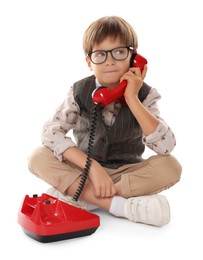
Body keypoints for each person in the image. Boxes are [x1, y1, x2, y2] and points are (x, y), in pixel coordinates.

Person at [28, 16, 182, 227]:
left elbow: (166, 147)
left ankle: (82, 195)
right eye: (100, 54)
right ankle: (120, 206)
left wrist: (132, 98)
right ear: (89, 62)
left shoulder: (145, 95)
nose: (110, 61)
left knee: (171, 167)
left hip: (125, 172)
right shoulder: (78, 91)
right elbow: (50, 133)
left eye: (119, 52)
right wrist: (93, 169)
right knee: (37, 157)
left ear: (134, 57)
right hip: (85, 169)